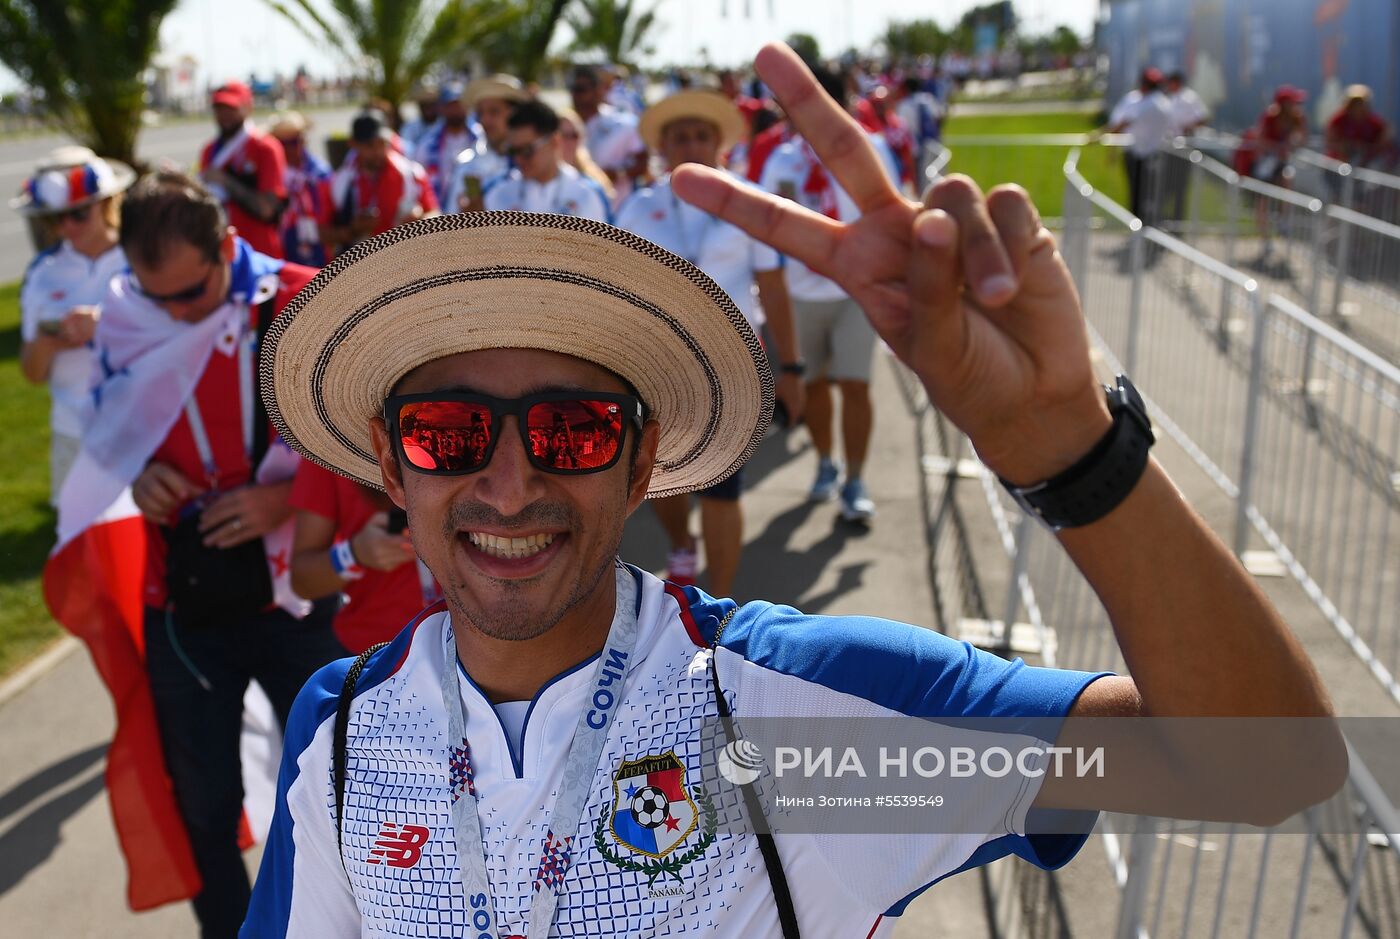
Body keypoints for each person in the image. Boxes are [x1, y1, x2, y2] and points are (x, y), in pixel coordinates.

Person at [242, 42, 1343, 939]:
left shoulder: (788, 721)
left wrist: (1078, 460)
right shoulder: (339, 732)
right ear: (394, 468)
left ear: (640, 464)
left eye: (572, 429)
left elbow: (1265, 765)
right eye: (450, 432)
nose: (511, 479)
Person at [92, 172, 346, 936]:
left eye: (192, 294)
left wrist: (284, 501)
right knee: (202, 802)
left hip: (297, 593)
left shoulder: (306, 299)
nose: (173, 314)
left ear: (230, 247)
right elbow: (104, 431)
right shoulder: (123, 318)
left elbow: (364, 432)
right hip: (186, 603)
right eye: (155, 296)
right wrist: (139, 473)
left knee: (342, 785)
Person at [617, 90, 804, 596]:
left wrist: (792, 368)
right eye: (680, 136)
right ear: (662, 147)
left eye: (702, 135)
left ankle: (719, 606)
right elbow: (620, 288)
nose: (691, 144)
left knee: (724, 488)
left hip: (734, 363)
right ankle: (681, 543)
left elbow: (774, 286)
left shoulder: (749, 204)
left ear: (721, 144)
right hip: (659, 363)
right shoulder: (638, 206)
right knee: (659, 475)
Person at [759, 66, 900, 524]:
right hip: (802, 292)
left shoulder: (871, 148)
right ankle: (825, 463)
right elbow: (768, 230)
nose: (788, 112)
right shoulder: (784, 159)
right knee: (815, 384)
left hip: (855, 290)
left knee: (856, 385)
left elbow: (891, 212)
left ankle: (855, 480)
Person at [13, 147, 133, 501]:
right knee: (80, 548)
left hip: (138, 429)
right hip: (71, 432)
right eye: (55, 218)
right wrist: (48, 343)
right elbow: (32, 373)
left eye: (79, 213)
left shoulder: (142, 257)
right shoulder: (41, 273)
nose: (67, 226)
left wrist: (104, 326)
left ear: (108, 202)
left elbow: (176, 336)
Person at [288, 459, 439, 654]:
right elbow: (302, 580)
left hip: (469, 648)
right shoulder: (328, 453)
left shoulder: (470, 438)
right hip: (373, 654)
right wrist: (354, 554)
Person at [481, 99, 612, 222]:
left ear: (554, 141)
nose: (519, 159)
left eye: (527, 150)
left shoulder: (587, 195)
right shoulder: (497, 192)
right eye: (513, 151)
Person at [200, 81, 287, 258]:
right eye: (219, 108)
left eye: (231, 108)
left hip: (260, 254)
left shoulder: (265, 148)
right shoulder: (210, 150)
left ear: (248, 108)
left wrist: (225, 181)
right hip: (221, 255)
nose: (224, 115)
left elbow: (267, 209)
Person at [327, 112, 439, 251]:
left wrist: (420, 221)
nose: (378, 150)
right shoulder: (339, 181)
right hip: (362, 267)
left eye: (382, 143)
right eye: (370, 145)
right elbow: (323, 233)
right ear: (353, 144)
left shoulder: (412, 173)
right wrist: (353, 230)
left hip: (406, 262)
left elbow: (435, 214)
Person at [443, 74, 530, 213]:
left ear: (515, 114)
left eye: (494, 112)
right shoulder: (466, 165)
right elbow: (448, 221)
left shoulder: (533, 160)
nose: (485, 120)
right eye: (481, 113)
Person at [1102, 68, 1173, 225]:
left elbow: (1120, 125)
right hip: (1156, 153)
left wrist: (1099, 136)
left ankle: (1139, 226)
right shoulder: (1164, 102)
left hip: (1139, 154)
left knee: (1138, 193)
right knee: (1153, 192)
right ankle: (1149, 225)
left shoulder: (1146, 104)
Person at [267, 111, 334, 266]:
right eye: (283, 143)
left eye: (294, 142)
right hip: (283, 249)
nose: (289, 148)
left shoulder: (320, 173)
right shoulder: (271, 175)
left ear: (303, 141)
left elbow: (331, 214)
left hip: (318, 248)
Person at [570, 64, 648, 193]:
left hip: (619, 207)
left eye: (581, 89)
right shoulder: (566, 127)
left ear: (598, 89)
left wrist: (618, 174)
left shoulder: (624, 123)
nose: (576, 95)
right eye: (573, 89)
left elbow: (643, 163)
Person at [413, 82, 476, 207]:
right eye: (450, 106)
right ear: (441, 108)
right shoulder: (427, 144)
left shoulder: (480, 139)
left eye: (458, 105)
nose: (455, 110)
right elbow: (419, 181)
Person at [1324, 84, 1394, 168]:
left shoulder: (1373, 121)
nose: (1358, 107)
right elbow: (1330, 140)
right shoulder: (1338, 120)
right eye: (1354, 103)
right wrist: (1344, 147)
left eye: (1361, 103)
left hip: (1364, 163)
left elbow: (1385, 136)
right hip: (1339, 164)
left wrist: (1370, 148)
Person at [557, 106, 617, 203]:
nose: (569, 141)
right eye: (563, 136)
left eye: (574, 135)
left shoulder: (594, 177)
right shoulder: (543, 176)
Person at [398, 85, 441, 149]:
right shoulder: (410, 126)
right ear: (420, 106)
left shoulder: (444, 125)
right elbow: (405, 148)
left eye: (432, 104)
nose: (428, 108)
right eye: (424, 104)